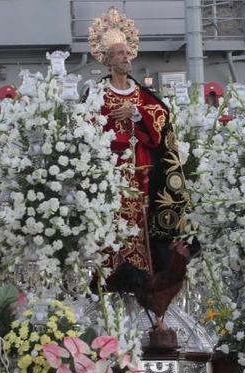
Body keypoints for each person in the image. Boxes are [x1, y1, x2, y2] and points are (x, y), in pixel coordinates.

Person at [88, 8, 189, 324]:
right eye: (118, 53)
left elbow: (160, 127)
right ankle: (113, 290)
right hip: (115, 181)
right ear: (106, 59)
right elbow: (87, 130)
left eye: (126, 51)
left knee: (148, 236)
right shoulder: (97, 94)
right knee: (116, 235)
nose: (125, 57)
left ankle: (150, 292)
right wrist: (109, 122)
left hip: (146, 179)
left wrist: (136, 115)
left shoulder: (142, 95)